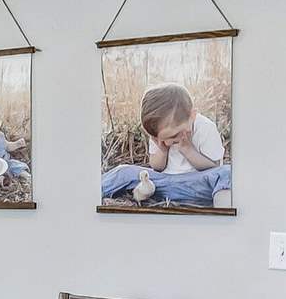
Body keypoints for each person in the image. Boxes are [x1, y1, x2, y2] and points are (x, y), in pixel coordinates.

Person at [100, 81, 233, 208]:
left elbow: (214, 166)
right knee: (123, 171)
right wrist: (162, 152)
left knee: (227, 172)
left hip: (197, 185)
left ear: (192, 116)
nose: (168, 142)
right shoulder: (159, 133)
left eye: (174, 135)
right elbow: (156, 167)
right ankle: (89, 194)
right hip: (163, 184)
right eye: (162, 139)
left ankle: (223, 211)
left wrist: (188, 150)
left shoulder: (205, 127)